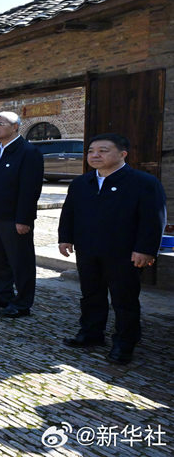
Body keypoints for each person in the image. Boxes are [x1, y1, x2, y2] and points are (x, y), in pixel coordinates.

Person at [58, 133, 167, 365]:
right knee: (91, 295)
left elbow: (153, 219)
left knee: (124, 299)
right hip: (88, 249)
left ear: (122, 154)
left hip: (124, 253)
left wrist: (145, 249)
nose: (95, 155)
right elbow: (69, 212)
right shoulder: (81, 183)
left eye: (103, 150)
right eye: (91, 151)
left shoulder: (143, 182)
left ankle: (125, 342)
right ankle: (91, 333)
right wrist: (65, 238)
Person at [0, 112, 44, 318]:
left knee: (20, 261)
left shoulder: (28, 152)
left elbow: (30, 190)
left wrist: (24, 219)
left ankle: (22, 303)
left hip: (15, 219)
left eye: (0, 124)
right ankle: (3, 295)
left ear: (15, 127)